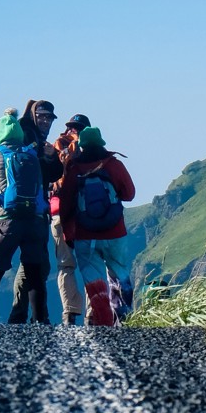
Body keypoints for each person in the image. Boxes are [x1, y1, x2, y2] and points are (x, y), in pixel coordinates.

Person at [0, 103, 56, 323]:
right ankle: (41, 320)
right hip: (33, 219)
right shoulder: (31, 154)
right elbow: (40, 183)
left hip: (7, 220)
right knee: (34, 273)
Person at [58, 124, 136, 326]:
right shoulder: (113, 164)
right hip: (115, 232)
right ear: (101, 143)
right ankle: (125, 321)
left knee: (95, 281)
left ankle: (103, 323)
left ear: (82, 146)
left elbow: (65, 204)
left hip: (86, 235)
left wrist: (68, 234)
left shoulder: (75, 169)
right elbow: (129, 194)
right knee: (120, 274)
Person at [17, 111, 88, 325]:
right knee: (89, 264)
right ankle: (94, 312)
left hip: (58, 211)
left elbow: (50, 177)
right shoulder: (92, 149)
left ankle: (69, 312)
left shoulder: (57, 145)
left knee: (65, 265)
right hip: (85, 213)